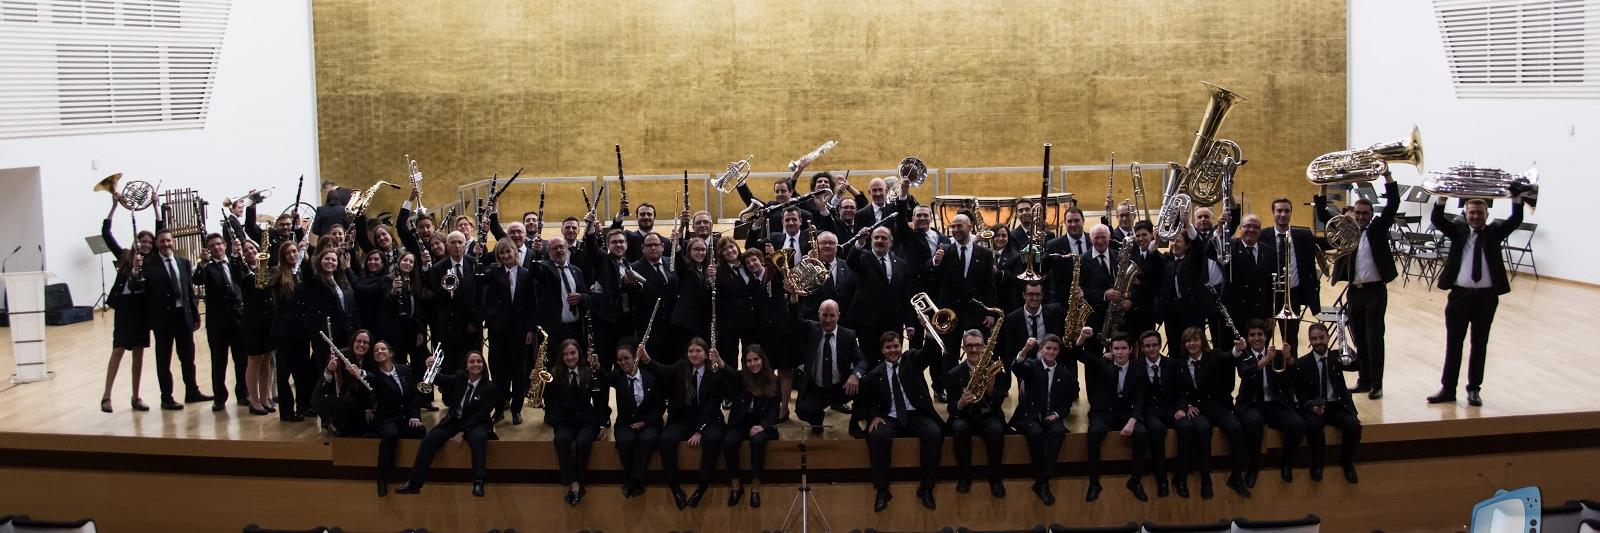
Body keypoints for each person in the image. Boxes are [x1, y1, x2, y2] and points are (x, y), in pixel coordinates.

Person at [1428, 195, 1525, 406]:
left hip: (1486, 298)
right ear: (1465, 214)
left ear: (1487, 215)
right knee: (1453, 344)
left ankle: (1474, 389)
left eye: (1480, 213)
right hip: (1459, 296)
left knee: (1479, 345)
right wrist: (1442, 198)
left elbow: (1515, 219)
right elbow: (1437, 218)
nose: (1475, 216)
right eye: (1471, 212)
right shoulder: (1457, 231)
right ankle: (1448, 389)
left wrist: (1516, 198)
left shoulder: (1494, 233)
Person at [1315, 172, 1400, 399]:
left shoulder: (1379, 228)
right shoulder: (1347, 230)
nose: (1361, 216)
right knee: (1359, 337)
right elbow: (1322, 214)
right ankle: (1363, 381)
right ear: (1352, 213)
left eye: (1365, 213)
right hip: (1355, 292)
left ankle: (1376, 384)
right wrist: (1323, 186)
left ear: (1371, 215)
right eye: (1358, 213)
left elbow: (1394, 204)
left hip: (1375, 291)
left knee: (1374, 337)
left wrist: (1388, 177)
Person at [396, 351, 501, 497]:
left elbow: (481, 415)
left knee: (479, 439)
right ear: (466, 365)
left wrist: (462, 432)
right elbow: (441, 379)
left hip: (476, 423)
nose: (475, 364)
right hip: (454, 420)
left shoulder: (489, 387)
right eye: (472, 362)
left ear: (483, 365)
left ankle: (478, 481)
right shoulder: (460, 377)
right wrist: (431, 368)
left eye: (479, 361)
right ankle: (414, 483)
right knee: (430, 438)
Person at [863, 330, 944, 512]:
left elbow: (929, 353)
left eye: (896, 346)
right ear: (882, 350)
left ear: (901, 346)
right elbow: (870, 402)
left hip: (917, 415)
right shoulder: (875, 374)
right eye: (888, 347)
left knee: (934, 433)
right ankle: (883, 490)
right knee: (877, 436)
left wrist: (929, 333)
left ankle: (927, 488)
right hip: (890, 417)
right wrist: (874, 416)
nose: (893, 350)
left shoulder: (911, 360)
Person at [644, 338, 727, 510]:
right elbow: (662, 371)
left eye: (698, 351)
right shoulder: (682, 366)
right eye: (691, 351)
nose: (694, 354)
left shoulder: (715, 371)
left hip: (709, 419)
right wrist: (647, 360)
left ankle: (702, 486)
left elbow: (712, 406)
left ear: (706, 354)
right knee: (666, 440)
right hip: (685, 417)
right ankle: (674, 487)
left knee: (712, 440)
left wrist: (699, 431)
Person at [926, 213, 997, 400]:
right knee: (948, 356)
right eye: (953, 227)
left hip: (975, 314)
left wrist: (990, 313)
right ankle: (950, 392)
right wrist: (935, 261)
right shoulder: (944, 251)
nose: (955, 230)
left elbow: (989, 286)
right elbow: (929, 276)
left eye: (959, 226)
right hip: (950, 315)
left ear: (970, 226)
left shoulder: (985, 254)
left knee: (977, 354)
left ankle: (976, 389)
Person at [1174, 327, 1251, 498]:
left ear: (1202, 341)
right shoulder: (1179, 363)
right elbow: (1178, 391)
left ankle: (1236, 476)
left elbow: (1228, 356)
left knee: (1236, 428)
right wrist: (1186, 406)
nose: (1192, 344)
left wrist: (1238, 349)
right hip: (1196, 409)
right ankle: (1205, 478)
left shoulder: (1214, 356)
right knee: (1203, 431)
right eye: (1188, 340)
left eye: (1195, 340)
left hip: (1215, 405)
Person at [1078, 330, 1149, 502]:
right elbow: (1077, 354)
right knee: (1094, 433)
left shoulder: (1138, 370)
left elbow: (1140, 400)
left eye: (1123, 348)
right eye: (1116, 348)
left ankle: (1136, 480)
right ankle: (1094, 482)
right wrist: (1082, 338)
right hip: (1103, 412)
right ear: (1110, 349)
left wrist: (1133, 420)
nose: (1119, 352)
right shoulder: (1103, 364)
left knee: (1141, 433)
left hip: (1126, 413)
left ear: (1130, 350)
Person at [1234, 319, 1305, 486]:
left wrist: (1289, 359)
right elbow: (1245, 373)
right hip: (1251, 404)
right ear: (1248, 338)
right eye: (1252, 335)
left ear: (1266, 337)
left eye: (1260, 334)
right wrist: (1265, 360)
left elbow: (1292, 379)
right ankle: (1254, 465)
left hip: (1274, 404)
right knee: (1254, 423)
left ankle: (1286, 462)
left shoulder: (1278, 355)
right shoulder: (1243, 355)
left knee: (1298, 424)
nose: (1256, 338)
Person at [141, 229, 206, 410]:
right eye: (162, 241)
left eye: (168, 241)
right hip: (163, 320)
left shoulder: (183, 262)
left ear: (173, 242)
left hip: (183, 317)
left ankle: (192, 392)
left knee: (188, 358)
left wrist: (194, 314)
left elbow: (189, 291)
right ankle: (166, 397)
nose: (166, 244)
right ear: (157, 244)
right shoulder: (148, 264)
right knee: (164, 361)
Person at [1010, 334, 1077, 505]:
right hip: (1030, 415)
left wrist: (1058, 415)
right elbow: (1016, 367)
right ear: (1041, 350)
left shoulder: (1066, 374)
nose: (1051, 351)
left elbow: (1066, 404)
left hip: (1051, 415)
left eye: (1055, 349)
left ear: (1058, 351)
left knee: (1058, 432)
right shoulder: (1032, 366)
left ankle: (1043, 479)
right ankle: (1042, 482)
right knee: (1036, 433)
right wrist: (1025, 349)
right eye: (1048, 348)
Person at [1262, 198, 1332, 355]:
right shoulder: (1263, 236)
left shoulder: (1303, 235)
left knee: (1291, 340)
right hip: (1268, 296)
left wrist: (1346, 223)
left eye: (1287, 210)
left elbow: (1329, 243)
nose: (1283, 214)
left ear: (1291, 213)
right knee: (1264, 339)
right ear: (1273, 213)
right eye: (1279, 210)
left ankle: (1292, 373)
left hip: (1291, 295)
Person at [945, 329, 1009, 499]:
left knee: (996, 432)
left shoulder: (996, 370)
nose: (974, 350)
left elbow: (999, 402)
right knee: (959, 430)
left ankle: (995, 478)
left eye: (978, 346)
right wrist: (960, 403)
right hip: (965, 416)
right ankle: (964, 477)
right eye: (969, 346)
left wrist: (990, 390)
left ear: (984, 347)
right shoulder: (953, 374)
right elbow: (951, 408)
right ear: (963, 348)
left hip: (988, 415)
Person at [545, 339, 610, 506]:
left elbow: (600, 400)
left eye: (573, 353)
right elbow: (549, 402)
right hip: (565, 421)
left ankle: (580, 479)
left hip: (587, 421)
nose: (569, 357)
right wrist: (554, 420)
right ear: (561, 356)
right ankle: (573, 482)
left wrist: (603, 424)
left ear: (579, 354)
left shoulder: (589, 372)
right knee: (561, 440)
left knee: (583, 441)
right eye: (565, 354)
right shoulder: (554, 374)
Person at [1295, 323, 1362, 483]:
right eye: (1314, 338)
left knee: (1353, 425)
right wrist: (1312, 406)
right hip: (1315, 407)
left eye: (1321, 338)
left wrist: (1348, 350)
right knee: (1314, 427)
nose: (1318, 342)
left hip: (1336, 405)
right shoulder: (1303, 363)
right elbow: (1300, 393)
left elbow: (1357, 366)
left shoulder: (1337, 357)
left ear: (1328, 337)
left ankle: (1346, 462)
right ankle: (1317, 464)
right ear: (1310, 341)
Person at [356, 340, 424, 497]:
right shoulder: (375, 374)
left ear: (391, 353)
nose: (379, 351)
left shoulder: (404, 369)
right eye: (376, 350)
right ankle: (382, 477)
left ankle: (416, 475)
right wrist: (360, 373)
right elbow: (369, 377)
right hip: (387, 418)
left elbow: (414, 395)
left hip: (404, 417)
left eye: (383, 349)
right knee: (390, 435)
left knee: (420, 431)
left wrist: (414, 416)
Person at [482, 239, 537, 424]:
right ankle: (499, 407)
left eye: (508, 252)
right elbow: (486, 298)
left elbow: (531, 304)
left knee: (519, 372)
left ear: (515, 252)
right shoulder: (492, 272)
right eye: (501, 253)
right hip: (499, 330)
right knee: (498, 370)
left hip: (520, 330)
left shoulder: (526, 274)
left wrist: (530, 329)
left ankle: (516, 409)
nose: (505, 256)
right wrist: (492, 317)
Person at [792, 299, 865, 436]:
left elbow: (861, 361)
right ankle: (817, 419)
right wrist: (793, 300)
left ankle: (854, 424)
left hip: (841, 387)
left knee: (864, 385)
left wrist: (855, 375)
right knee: (802, 410)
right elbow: (794, 320)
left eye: (832, 315)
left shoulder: (848, 335)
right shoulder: (810, 329)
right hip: (816, 389)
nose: (828, 319)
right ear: (818, 314)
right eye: (824, 315)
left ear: (838, 315)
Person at [192, 233, 247, 411]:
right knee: (219, 362)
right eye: (212, 245)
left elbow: (243, 278)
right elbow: (197, 280)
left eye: (219, 244)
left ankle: (243, 394)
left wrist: (238, 255)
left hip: (238, 319)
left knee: (241, 360)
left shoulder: (233, 262)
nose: (216, 247)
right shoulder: (207, 267)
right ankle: (220, 398)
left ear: (225, 245)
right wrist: (202, 263)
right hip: (218, 322)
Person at [844, 226, 912, 366]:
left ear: (891, 242)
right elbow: (851, 260)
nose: (879, 241)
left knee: (893, 361)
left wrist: (910, 322)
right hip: (868, 324)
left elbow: (905, 294)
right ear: (871, 240)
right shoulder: (862, 257)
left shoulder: (900, 263)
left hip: (893, 323)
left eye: (884, 238)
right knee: (870, 362)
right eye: (876, 238)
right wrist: (860, 242)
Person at [723, 345, 779, 508]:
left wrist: (762, 426)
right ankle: (735, 486)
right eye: (749, 361)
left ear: (762, 360)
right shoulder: (741, 378)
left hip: (762, 425)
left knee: (757, 442)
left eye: (756, 359)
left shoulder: (773, 380)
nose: (753, 363)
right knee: (729, 441)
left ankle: (755, 487)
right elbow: (728, 371)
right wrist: (718, 360)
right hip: (741, 423)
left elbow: (775, 411)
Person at [609, 343, 666, 498]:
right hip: (625, 423)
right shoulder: (617, 376)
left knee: (646, 440)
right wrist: (596, 366)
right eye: (619, 360)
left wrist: (645, 422)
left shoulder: (651, 377)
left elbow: (660, 406)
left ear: (635, 358)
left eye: (626, 358)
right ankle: (636, 480)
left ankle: (632, 480)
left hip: (649, 422)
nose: (623, 362)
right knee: (625, 442)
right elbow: (602, 377)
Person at [1136, 328, 1184, 499]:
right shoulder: (1136, 366)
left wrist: (1180, 408)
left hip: (1171, 409)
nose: (1151, 349)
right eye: (1147, 346)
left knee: (1186, 427)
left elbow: (1180, 391)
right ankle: (1161, 479)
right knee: (1157, 432)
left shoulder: (1172, 364)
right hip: (1150, 411)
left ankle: (1181, 478)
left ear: (1160, 345)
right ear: (1142, 348)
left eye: (1155, 345)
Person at [101, 248, 151, 413]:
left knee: (138, 355)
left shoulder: (150, 263)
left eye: (149, 243)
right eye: (143, 241)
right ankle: (107, 396)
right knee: (118, 351)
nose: (146, 245)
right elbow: (109, 239)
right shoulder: (125, 259)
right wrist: (109, 221)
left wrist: (159, 220)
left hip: (141, 315)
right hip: (124, 313)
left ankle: (136, 397)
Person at [430, 231, 482, 371]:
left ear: (465, 245)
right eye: (453, 242)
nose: (457, 246)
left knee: (472, 366)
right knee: (452, 367)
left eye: (460, 242)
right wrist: (446, 287)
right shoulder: (437, 268)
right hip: (450, 327)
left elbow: (481, 295)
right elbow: (436, 299)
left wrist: (475, 322)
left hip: (471, 326)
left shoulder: (474, 263)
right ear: (447, 246)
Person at [236, 240, 277, 415]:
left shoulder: (268, 270)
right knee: (254, 360)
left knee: (266, 359)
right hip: (252, 322)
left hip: (268, 320)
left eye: (252, 248)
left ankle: (264, 396)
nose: (250, 251)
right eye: (246, 250)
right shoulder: (243, 271)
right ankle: (253, 398)